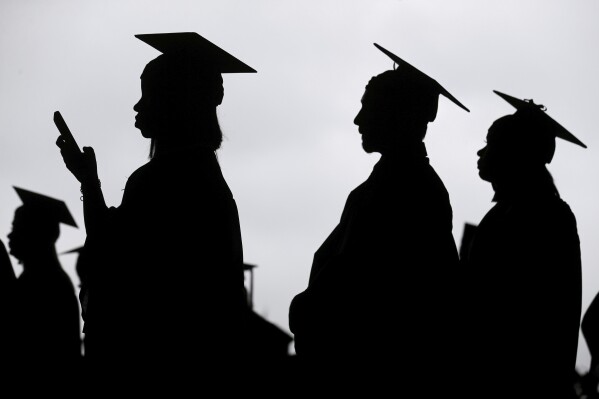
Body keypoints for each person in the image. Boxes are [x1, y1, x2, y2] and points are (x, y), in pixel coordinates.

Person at [55, 32, 253, 392]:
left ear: (177, 102)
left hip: (155, 372)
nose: (138, 106)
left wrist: (89, 185)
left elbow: (108, 259)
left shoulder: (163, 180)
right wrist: (89, 182)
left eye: (149, 95)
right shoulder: (201, 176)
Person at [288, 43, 469, 394]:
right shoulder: (393, 184)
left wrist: (310, 308)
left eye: (368, 107)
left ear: (397, 114)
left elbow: (368, 285)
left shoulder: (409, 188)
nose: (358, 120)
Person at [464, 90, 584, 398]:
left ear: (515, 153)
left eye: (490, 144)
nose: (481, 152)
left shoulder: (544, 216)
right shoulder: (512, 212)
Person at [5, 187, 82, 390]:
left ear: (37, 235)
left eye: (17, 228)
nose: (10, 236)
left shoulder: (47, 285)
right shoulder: (47, 279)